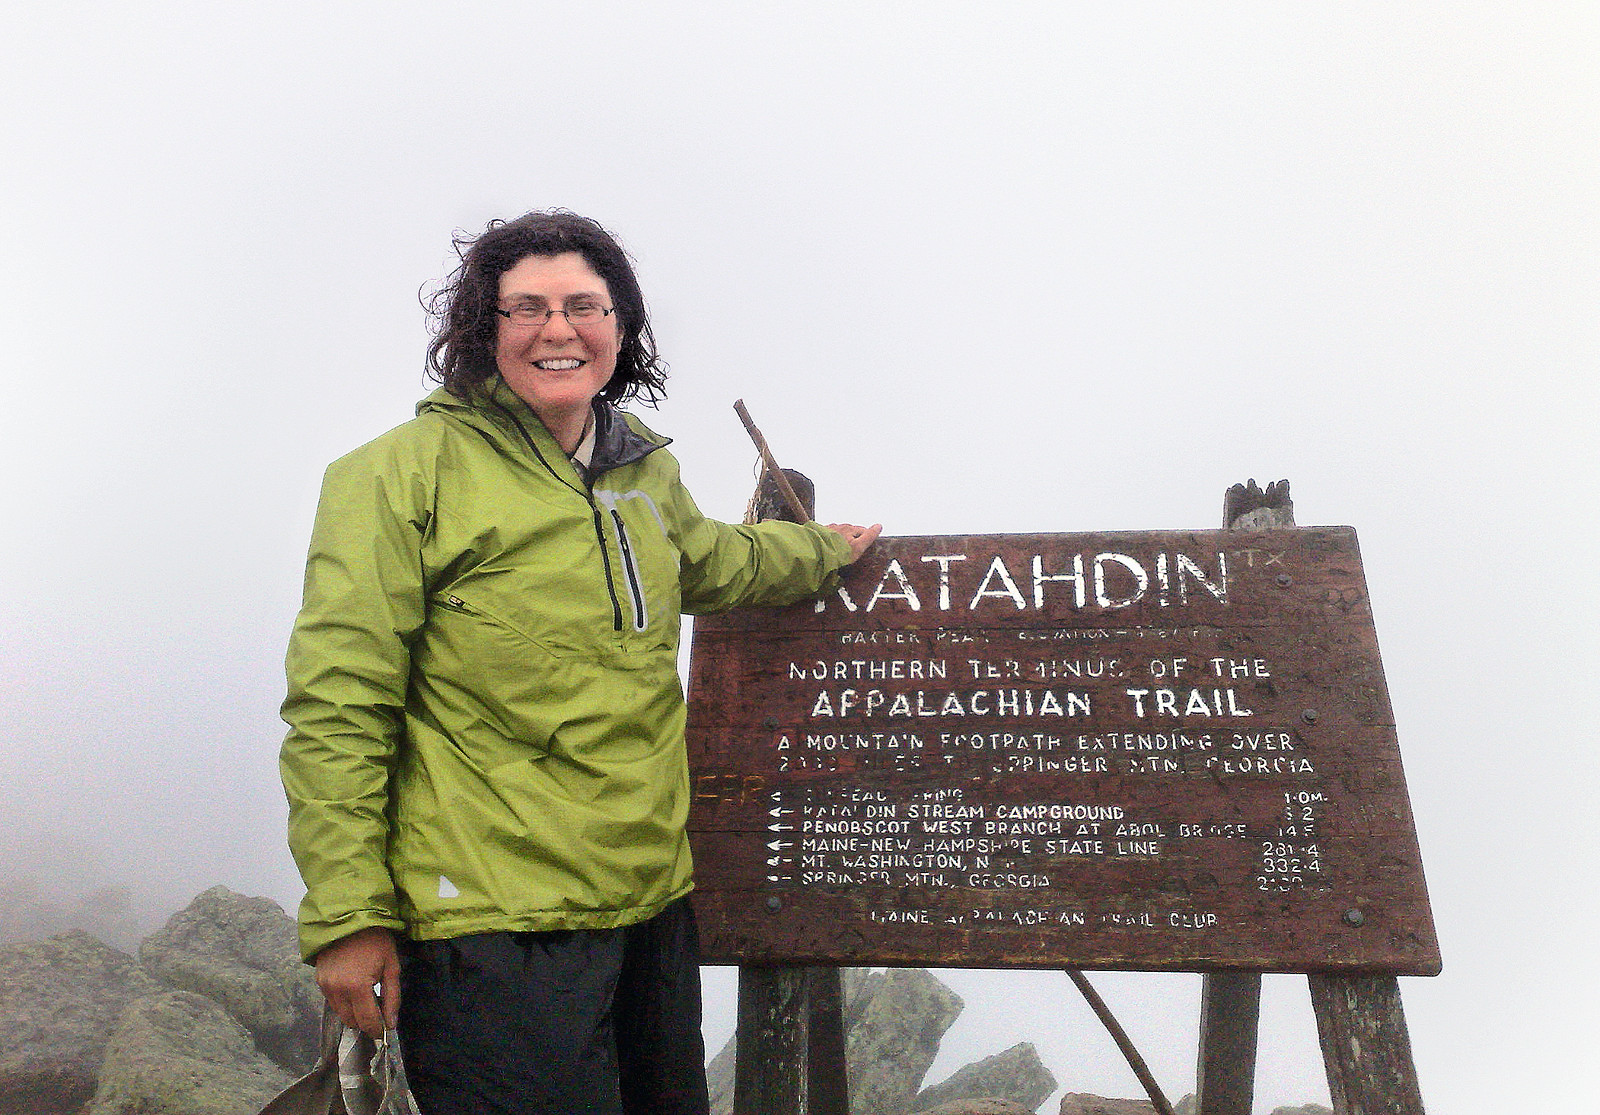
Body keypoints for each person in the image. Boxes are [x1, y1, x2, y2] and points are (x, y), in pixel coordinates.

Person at [279, 210, 880, 1114]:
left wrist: (823, 552)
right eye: (526, 307)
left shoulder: (640, 469)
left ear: (620, 328)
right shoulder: (397, 475)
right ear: (484, 331)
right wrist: (347, 916)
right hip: (488, 921)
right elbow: (338, 702)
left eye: (583, 305)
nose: (558, 328)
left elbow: (717, 560)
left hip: (649, 908)